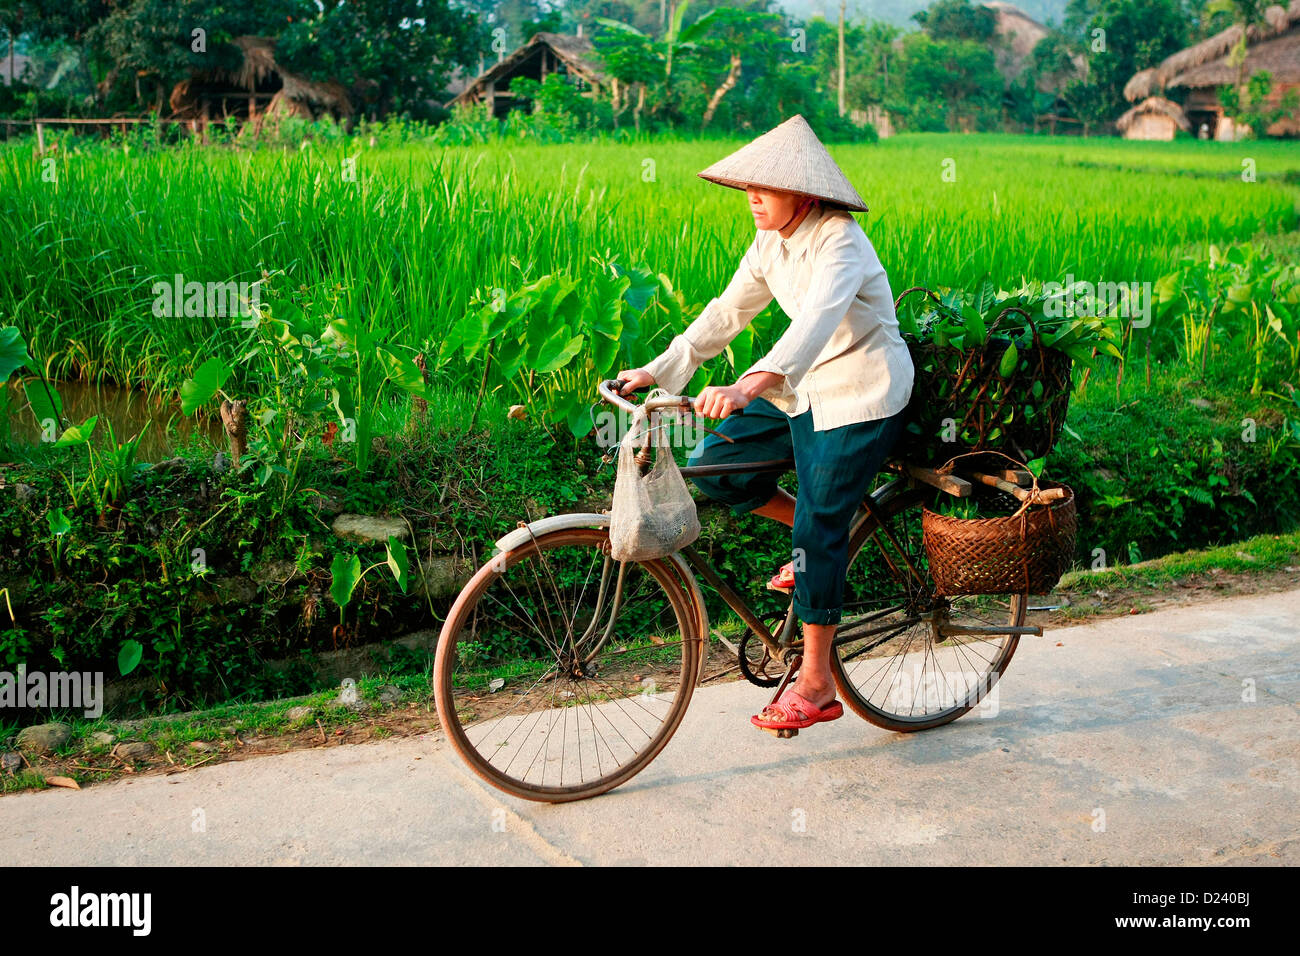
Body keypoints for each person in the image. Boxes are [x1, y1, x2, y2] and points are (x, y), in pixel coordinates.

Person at [616, 114, 914, 735]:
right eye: (748, 188)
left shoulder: (840, 242)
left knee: (815, 530)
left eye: (767, 189)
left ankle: (817, 683)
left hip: (861, 391)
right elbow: (726, 312)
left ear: (803, 194)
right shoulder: (770, 242)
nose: (753, 199)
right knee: (717, 468)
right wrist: (658, 369)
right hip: (800, 389)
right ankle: (832, 531)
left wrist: (749, 382)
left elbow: (814, 323)